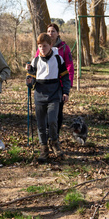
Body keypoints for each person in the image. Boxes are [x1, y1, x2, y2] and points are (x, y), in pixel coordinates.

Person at [26, 33, 71, 162]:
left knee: (52, 121)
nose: (42, 49)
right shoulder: (35, 61)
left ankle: (55, 143)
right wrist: (28, 81)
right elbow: (31, 79)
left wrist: (66, 92)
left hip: (54, 94)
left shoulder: (58, 59)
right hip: (39, 94)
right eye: (39, 46)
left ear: (50, 45)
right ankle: (44, 148)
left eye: (44, 46)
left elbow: (65, 77)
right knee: (40, 124)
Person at [35, 23, 74, 137]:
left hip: (59, 85)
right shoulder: (42, 47)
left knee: (57, 113)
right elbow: (37, 63)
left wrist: (68, 85)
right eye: (48, 31)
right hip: (44, 87)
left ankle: (55, 136)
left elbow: (69, 66)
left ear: (58, 33)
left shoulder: (64, 47)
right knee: (46, 114)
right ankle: (47, 136)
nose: (50, 33)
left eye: (53, 31)